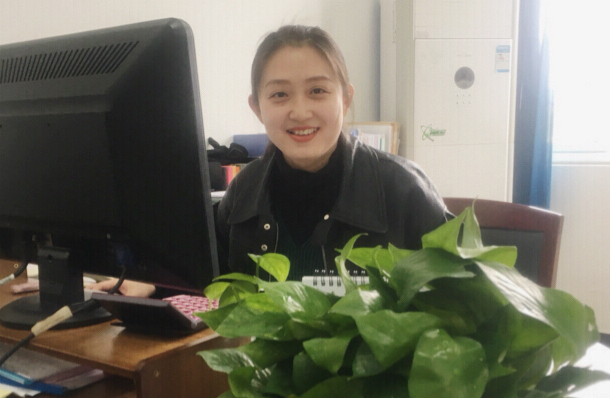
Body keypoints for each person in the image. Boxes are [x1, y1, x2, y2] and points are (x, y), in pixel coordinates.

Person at [97, 25, 448, 295]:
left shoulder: (402, 190)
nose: (300, 111)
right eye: (280, 94)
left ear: (345, 99)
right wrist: (155, 286)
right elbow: (210, 283)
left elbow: (463, 300)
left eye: (317, 91)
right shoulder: (243, 192)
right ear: (257, 108)